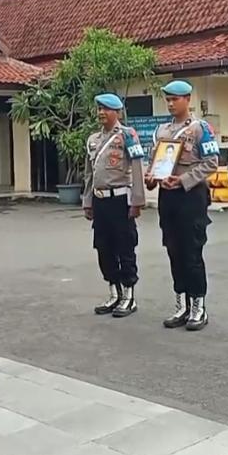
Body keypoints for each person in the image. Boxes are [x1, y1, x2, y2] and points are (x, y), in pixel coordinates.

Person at [147, 80, 220, 330]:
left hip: (191, 195)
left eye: (175, 99)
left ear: (188, 99)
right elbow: (154, 161)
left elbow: (211, 162)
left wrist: (184, 179)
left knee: (191, 252)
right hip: (167, 197)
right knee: (173, 251)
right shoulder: (162, 131)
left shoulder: (200, 129)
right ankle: (181, 304)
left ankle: (198, 306)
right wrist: (151, 177)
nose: (170, 104)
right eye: (167, 99)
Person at [83, 93, 147, 317]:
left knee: (125, 247)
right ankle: (114, 292)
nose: (101, 113)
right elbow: (89, 173)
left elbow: (137, 169)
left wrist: (137, 201)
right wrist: (87, 201)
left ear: (117, 112)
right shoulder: (93, 140)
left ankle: (128, 295)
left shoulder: (128, 135)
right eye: (99, 109)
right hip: (100, 200)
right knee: (103, 248)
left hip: (120, 200)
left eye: (106, 109)